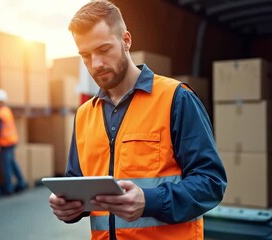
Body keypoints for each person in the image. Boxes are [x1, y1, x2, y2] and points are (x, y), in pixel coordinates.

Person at [48, 1, 227, 239]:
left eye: (103, 50)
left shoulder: (176, 98)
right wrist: (68, 208)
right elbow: (77, 185)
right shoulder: (84, 115)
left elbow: (211, 183)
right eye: (85, 55)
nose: (96, 64)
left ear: (126, 40)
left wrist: (150, 200)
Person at [0, 88, 26, 195]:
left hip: (5, 143)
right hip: (12, 141)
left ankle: (9, 188)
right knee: (12, 163)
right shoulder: (7, 110)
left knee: (6, 166)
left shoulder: (0, 113)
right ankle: (21, 183)